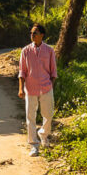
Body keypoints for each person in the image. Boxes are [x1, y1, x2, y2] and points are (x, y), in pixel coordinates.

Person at [18, 24, 57, 156]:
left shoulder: (49, 50)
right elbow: (22, 72)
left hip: (46, 88)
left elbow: (53, 72)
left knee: (48, 115)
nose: (32, 35)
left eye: (35, 33)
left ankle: (43, 135)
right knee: (30, 117)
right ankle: (34, 145)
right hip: (30, 88)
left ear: (42, 35)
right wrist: (21, 89)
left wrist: (50, 85)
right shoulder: (25, 51)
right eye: (31, 33)